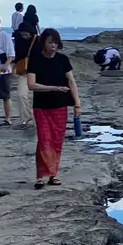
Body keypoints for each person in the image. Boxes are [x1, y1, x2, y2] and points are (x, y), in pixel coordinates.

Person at [26, 27, 81, 187]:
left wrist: (77, 104)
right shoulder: (35, 60)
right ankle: (41, 176)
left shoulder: (62, 60)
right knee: (44, 140)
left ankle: (53, 174)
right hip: (41, 107)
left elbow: (71, 82)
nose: (53, 46)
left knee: (56, 141)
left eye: (56, 42)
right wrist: (53, 88)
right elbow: (31, 85)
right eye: (50, 42)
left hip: (60, 107)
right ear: (43, 42)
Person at [13, 5, 39, 128]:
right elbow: (17, 56)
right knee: (21, 95)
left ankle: (38, 118)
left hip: (38, 72)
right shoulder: (18, 41)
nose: (25, 36)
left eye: (27, 34)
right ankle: (26, 118)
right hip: (24, 71)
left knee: (39, 96)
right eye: (22, 34)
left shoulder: (37, 41)